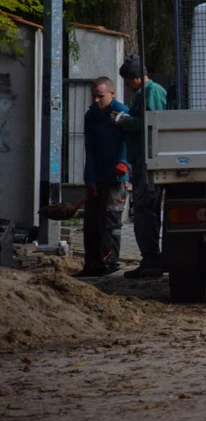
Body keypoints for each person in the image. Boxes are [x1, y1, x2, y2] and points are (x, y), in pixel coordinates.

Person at [113, 55, 169, 278]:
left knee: (146, 209)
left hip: (148, 159)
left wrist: (122, 121)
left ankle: (152, 259)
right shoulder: (144, 93)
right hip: (142, 158)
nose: (126, 85)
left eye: (127, 80)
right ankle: (150, 258)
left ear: (135, 78)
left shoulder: (152, 92)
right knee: (145, 210)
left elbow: (150, 124)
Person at [77, 77, 130, 277]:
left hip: (115, 178)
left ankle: (110, 263)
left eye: (100, 96)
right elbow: (89, 150)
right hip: (97, 176)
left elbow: (129, 139)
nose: (96, 100)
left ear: (111, 94)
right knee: (91, 222)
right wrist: (89, 180)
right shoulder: (91, 116)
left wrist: (125, 163)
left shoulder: (121, 113)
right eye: (94, 96)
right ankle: (92, 264)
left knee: (110, 222)